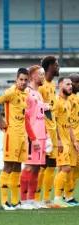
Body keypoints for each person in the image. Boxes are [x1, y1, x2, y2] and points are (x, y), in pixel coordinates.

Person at [0, 68, 29, 210]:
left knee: (18, 166)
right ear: (16, 79)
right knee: (8, 165)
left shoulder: (26, 94)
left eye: (26, 80)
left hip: (22, 135)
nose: (23, 82)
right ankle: (4, 201)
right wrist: (1, 120)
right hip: (11, 134)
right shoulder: (10, 92)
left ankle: (15, 201)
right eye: (21, 79)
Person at [20, 65, 48, 209]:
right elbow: (25, 117)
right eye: (41, 74)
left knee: (37, 168)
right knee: (29, 167)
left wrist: (46, 136)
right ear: (33, 76)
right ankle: (23, 200)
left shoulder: (39, 93)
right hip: (32, 137)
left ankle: (32, 199)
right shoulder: (27, 93)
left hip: (41, 136)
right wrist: (33, 137)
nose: (43, 77)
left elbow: (41, 116)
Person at [52, 77, 79, 207]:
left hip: (68, 141)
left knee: (67, 169)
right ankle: (57, 198)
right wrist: (57, 140)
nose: (70, 86)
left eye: (71, 85)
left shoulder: (67, 103)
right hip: (61, 142)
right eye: (67, 84)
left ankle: (65, 197)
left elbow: (69, 126)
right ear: (60, 86)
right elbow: (53, 122)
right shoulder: (56, 102)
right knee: (66, 168)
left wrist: (75, 142)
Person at [37, 56, 60, 207]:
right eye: (56, 65)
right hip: (43, 131)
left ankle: (46, 199)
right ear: (50, 66)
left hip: (52, 130)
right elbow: (40, 109)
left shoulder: (52, 85)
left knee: (52, 164)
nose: (58, 67)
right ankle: (35, 198)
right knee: (41, 165)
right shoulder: (42, 86)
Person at [67, 73, 79, 206]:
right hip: (72, 138)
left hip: (77, 137)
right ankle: (65, 195)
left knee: (76, 168)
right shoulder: (68, 99)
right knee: (68, 167)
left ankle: (70, 194)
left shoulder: (75, 98)